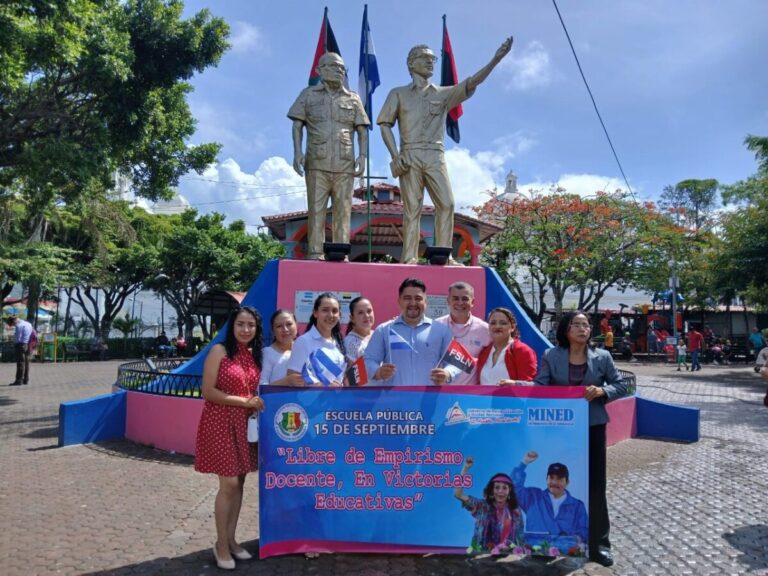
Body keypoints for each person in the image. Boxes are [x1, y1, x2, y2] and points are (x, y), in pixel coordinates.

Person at [377, 38, 512, 265]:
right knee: (412, 208)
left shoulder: (443, 93)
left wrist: (495, 59)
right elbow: (384, 124)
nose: (430, 62)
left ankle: (444, 254)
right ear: (411, 63)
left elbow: (472, 82)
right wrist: (395, 155)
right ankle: (409, 256)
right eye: (424, 58)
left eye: (433, 59)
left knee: (447, 203)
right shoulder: (398, 93)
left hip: (435, 155)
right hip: (409, 155)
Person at [534, 311, 627, 567]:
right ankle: (549, 541)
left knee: (595, 486)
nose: (582, 328)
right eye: (576, 324)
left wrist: (602, 391)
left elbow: (621, 385)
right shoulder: (551, 355)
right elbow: (540, 386)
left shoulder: (603, 356)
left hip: (592, 427)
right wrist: (517, 385)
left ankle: (599, 545)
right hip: (559, 428)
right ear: (566, 329)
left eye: (586, 325)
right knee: (554, 482)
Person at [194, 306, 265, 570]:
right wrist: (245, 402)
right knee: (229, 484)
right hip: (220, 422)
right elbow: (208, 391)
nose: (245, 329)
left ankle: (232, 540)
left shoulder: (253, 354)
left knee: (240, 482)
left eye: (251, 325)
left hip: (244, 425)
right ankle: (221, 545)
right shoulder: (219, 351)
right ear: (231, 326)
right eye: (240, 324)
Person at [288, 52, 370, 260]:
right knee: (316, 210)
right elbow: (297, 125)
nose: (339, 71)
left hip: (345, 163)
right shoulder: (308, 95)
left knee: (343, 210)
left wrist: (362, 156)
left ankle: (341, 252)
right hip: (317, 161)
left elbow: (362, 130)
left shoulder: (353, 98)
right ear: (320, 70)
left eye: (342, 68)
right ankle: (316, 252)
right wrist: (297, 152)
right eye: (334, 66)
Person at [364, 277, 453, 385]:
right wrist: (378, 371)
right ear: (399, 301)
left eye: (418, 298)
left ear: (425, 302)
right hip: (395, 395)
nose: (413, 303)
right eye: (407, 298)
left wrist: (448, 373)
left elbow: (455, 362)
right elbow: (368, 360)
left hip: (429, 395)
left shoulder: (441, 331)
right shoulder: (384, 330)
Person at [510, 451, 588, 550]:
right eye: (551, 478)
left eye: (559, 479)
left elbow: (584, 530)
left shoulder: (577, 506)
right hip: (534, 553)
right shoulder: (533, 497)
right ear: (546, 479)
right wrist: (523, 464)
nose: (554, 482)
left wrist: (574, 540)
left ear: (567, 482)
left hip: (564, 554)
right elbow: (512, 488)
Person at [454, 456, 523, 555]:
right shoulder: (482, 506)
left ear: (509, 491)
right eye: (497, 487)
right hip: (482, 556)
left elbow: (520, 536)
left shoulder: (515, 510)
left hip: (507, 557)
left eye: (504, 488)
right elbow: (458, 494)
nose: (500, 491)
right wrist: (465, 469)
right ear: (492, 490)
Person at [286, 293, 346, 386]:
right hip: (312, 396)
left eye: (334, 311)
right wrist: (324, 386)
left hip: (336, 396)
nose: (330, 315)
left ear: (339, 315)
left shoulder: (339, 344)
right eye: (325, 310)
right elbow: (293, 378)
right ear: (315, 313)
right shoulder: (303, 341)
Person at [436, 282, 490, 385]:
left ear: (472, 302)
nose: (460, 303)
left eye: (465, 299)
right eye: (455, 298)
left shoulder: (485, 330)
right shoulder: (436, 326)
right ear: (448, 301)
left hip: (470, 391)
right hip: (440, 390)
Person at [475, 307, 536, 385]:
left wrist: (514, 384)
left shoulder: (523, 351)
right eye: (493, 323)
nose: (497, 326)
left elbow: (528, 386)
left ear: (512, 327)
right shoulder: (483, 352)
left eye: (503, 323)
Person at [260, 310, 304, 386]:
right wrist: (287, 381)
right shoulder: (267, 353)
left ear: (296, 326)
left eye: (289, 324)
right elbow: (261, 386)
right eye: (279, 326)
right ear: (273, 331)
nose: (285, 329)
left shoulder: (304, 350)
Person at [343, 297, 376, 362]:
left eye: (369, 311)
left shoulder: (378, 334)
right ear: (352, 318)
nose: (366, 315)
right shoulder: (350, 343)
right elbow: (353, 368)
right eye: (360, 313)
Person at [5, 315, 33, 386]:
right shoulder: (28, 324)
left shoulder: (19, 326)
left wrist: (15, 343)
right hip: (27, 344)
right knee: (26, 362)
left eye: (13, 324)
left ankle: (18, 380)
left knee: (20, 363)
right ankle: (26, 379)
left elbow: (18, 338)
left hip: (20, 345)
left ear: (14, 321)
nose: (14, 325)